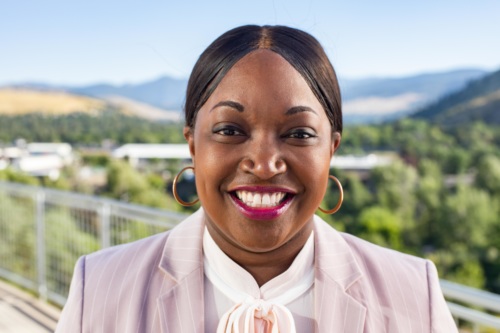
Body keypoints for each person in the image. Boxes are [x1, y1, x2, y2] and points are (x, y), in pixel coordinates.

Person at [56, 25, 458, 332]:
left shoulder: (413, 294)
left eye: (299, 134)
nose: (265, 165)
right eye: (230, 130)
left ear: (331, 148)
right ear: (192, 144)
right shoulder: (100, 287)